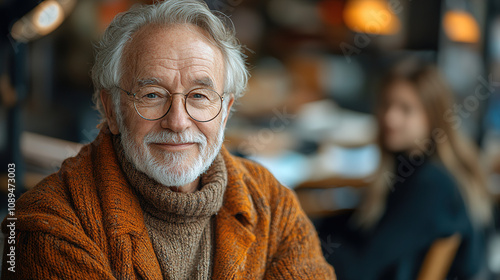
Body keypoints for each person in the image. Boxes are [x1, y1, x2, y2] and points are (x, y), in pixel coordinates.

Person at [0, 1, 335, 279]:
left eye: (200, 96)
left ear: (227, 110)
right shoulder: (52, 223)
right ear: (111, 109)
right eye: (152, 94)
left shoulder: (272, 203)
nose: (177, 121)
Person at [318, 60, 493, 280]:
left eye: (406, 109)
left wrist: (303, 245)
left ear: (433, 116)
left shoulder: (432, 186)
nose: (390, 118)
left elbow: (361, 269)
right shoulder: (416, 171)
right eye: (386, 105)